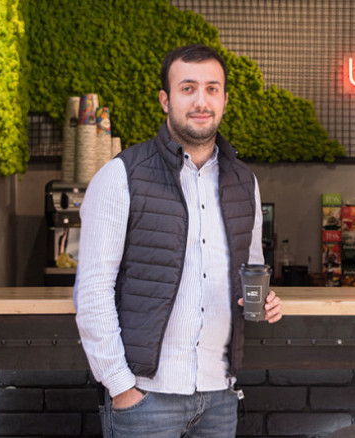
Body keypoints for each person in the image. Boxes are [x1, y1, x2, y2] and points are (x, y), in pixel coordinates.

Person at [74, 44, 282, 437]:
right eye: (188, 88)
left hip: (220, 395)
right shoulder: (120, 176)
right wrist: (120, 387)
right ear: (165, 100)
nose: (201, 101)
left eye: (212, 89)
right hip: (144, 399)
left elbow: (250, 272)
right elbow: (93, 291)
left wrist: (265, 300)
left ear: (224, 99)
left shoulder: (244, 182)